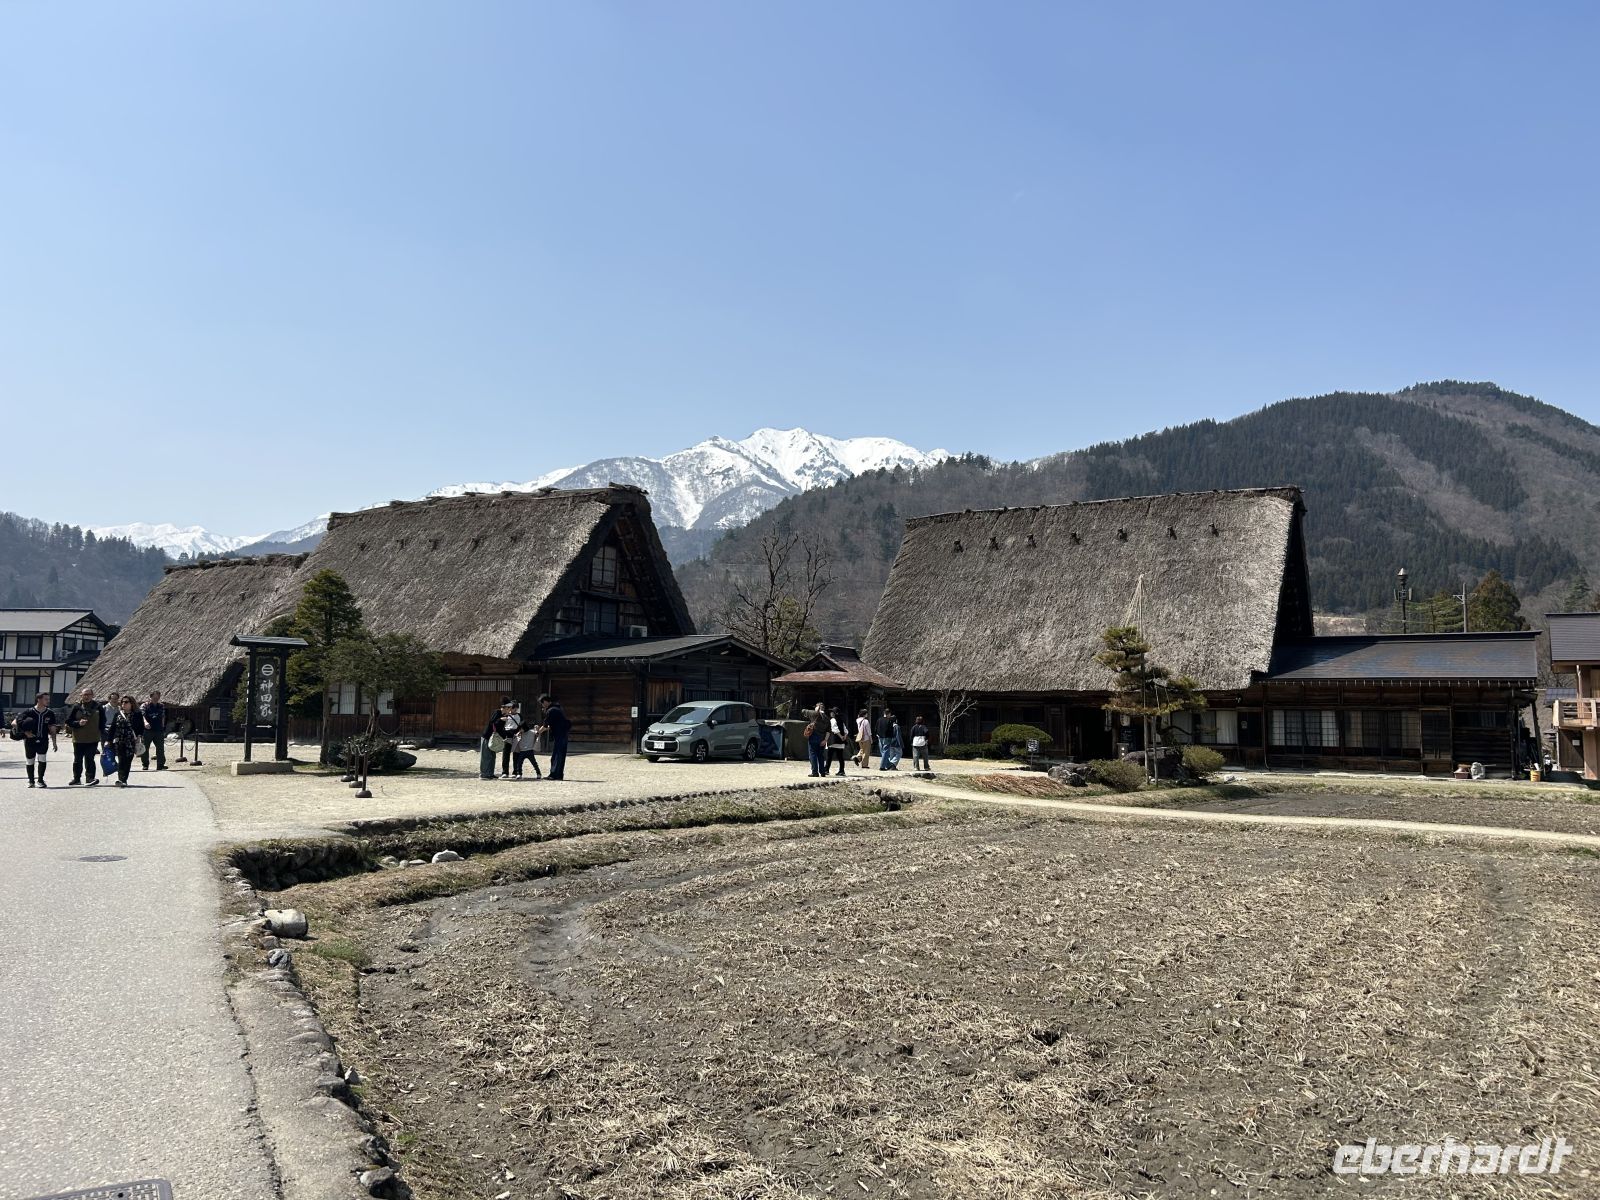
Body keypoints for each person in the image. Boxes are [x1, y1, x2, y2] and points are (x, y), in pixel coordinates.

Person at [16, 693, 60, 788]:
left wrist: (54, 742)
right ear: (39, 700)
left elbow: (52, 728)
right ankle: (31, 781)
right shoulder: (29, 711)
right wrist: (26, 732)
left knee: (42, 759)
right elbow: (15, 722)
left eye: (48, 699)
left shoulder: (50, 713)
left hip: (43, 740)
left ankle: (40, 780)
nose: (48, 701)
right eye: (46, 699)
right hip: (30, 741)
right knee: (30, 761)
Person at [67, 687, 106, 786]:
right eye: (85, 694)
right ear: (81, 696)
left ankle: (90, 778)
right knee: (77, 760)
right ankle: (76, 779)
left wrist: (103, 736)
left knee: (90, 759)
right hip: (78, 738)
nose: (87, 696)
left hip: (93, 738)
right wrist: (78, 723)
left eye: (89, 694)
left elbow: (103, 722)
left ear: (92, 696)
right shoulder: (76, 707)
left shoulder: (98, 707)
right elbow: (68, 721)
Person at [107, 695, 147, 787]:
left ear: (131, 703)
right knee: (121, 760)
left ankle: (124, 779)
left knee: (128, 760)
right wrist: (108, 740)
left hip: (131, 741)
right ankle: (121, 779)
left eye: (126, 702)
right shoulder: (118, 714)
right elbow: (113, 728)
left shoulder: (137, 714)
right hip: (120, 741)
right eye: (122, 702)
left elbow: (141, 728)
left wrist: (139, 736)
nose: (123, 704)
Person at [482, 701, 521, 779]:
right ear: (505, 708)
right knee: (487, 756)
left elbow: (500, 729)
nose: (509, 710)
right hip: (488, 736)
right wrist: (500, 719)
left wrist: (504, 737)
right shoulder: (497, 712)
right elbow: (492, 722)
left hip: (496, 738)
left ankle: (490, 773)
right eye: (509, 708)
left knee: (492, 756)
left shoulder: (505, 715)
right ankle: (484, 774)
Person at [539, 694, 572, 780]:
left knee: (556, 755)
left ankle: (553, 775)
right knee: (560, 755)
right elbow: (550, 725)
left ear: (545, 702)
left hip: (559, 735)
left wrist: (537, 732)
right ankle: (559, 775)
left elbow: (545, 725)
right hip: (563, 734)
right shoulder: (558, 708)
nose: (542, 706)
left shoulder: (551, 710)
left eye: (542, 703)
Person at [139, 690, 168, 770]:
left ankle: (160, 764)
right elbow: (142, 715)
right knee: (145, 748)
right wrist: (145, 723)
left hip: (158, 730)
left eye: (157, 697)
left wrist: (162, 727)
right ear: (150, 697)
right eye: (154, 697)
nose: (156, 699)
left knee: (160, 748)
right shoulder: (144, 705)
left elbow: (162, 716)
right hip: (147, 730)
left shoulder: (161, 706)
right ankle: (145, 764)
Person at [825, 707, 850, 777]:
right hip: (841, 742)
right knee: (840, 757)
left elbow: (834, 729)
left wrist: (840, 736)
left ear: (835, 713)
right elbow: (846, 730)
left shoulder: (833, 720)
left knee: (829, 756)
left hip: (834, 740)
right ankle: (842, 770)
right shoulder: (841, 720)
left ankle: (826, 769)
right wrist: (844, 736)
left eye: (832, 712)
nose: (831, 713)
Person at [805, 703, 827, 777]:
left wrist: (815, 710)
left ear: (817, 708)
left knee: (813, 754)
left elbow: (803, 711)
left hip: (814, 737)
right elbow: (829, 731)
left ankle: (815, 772)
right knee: (820, 755)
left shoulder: (814, 714)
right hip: (822, 739)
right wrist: (825, 740)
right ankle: (822, 772)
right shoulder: (827, 718)